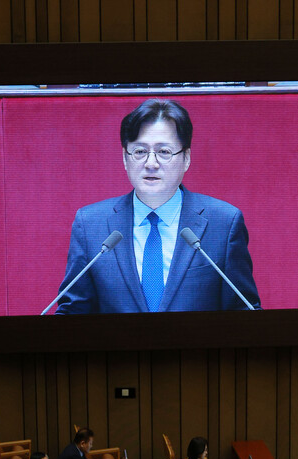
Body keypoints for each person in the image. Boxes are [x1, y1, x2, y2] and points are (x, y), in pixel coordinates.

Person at [57, 98, 261, 315]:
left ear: (186, 158)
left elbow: (244, 314)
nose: (151, 163)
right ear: (125, 159)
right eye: (139, 152)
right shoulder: (90, 225)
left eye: (164, 152)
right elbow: (73, 314)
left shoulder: (224, 223)